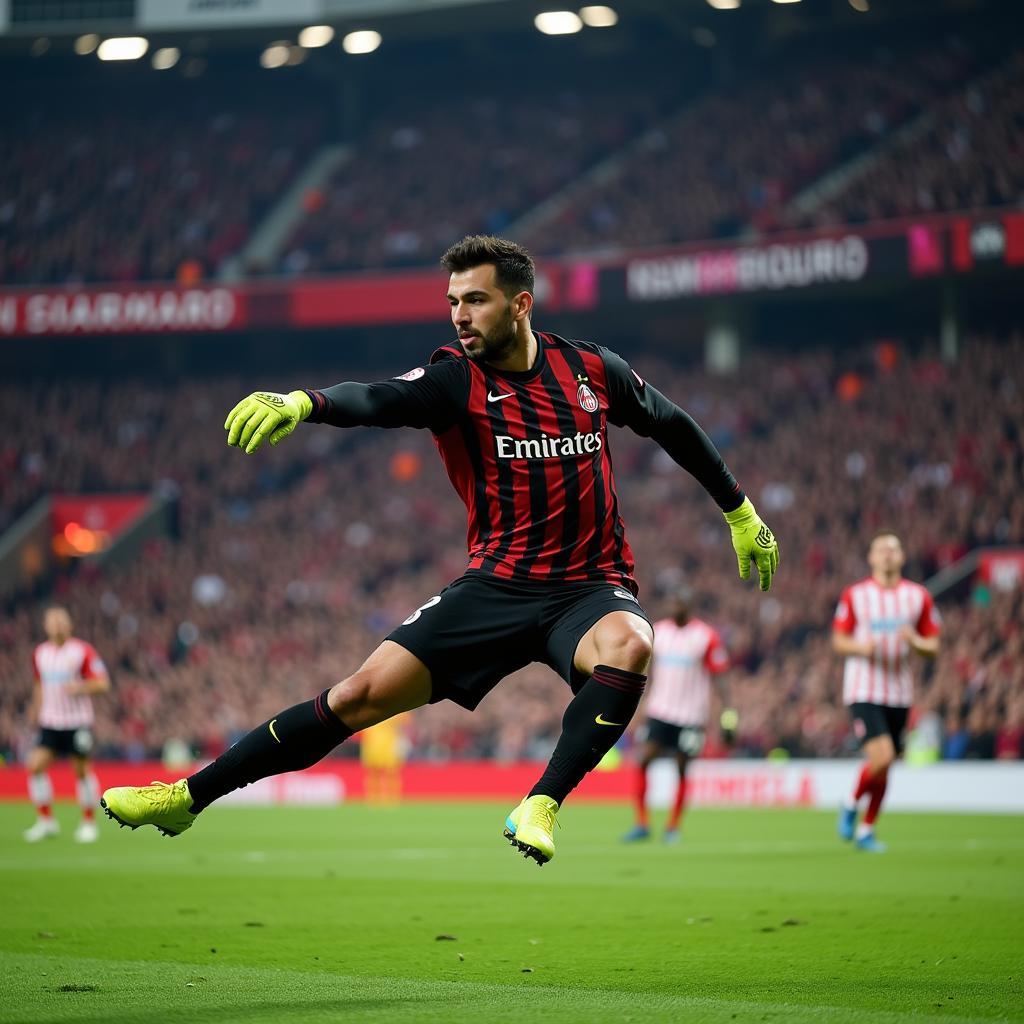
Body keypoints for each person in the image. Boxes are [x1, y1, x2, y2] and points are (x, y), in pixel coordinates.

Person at [102, 235, 779, 866]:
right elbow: (377, 397)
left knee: (631, 641)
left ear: (520, 305)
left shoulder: (591, 369)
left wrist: (740, 512)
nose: (460, 314)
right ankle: (187, 798)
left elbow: (672, 423)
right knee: (356, 696)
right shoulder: (455, 380)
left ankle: (540, 804)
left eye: (475, 300)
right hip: (494, 588)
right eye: (453, 301)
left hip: (587, 590)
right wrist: (305, 403)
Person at [834, 532, 941, 852]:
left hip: (899, 691)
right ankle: (851, 803)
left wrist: (915, 642)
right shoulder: (856, 595)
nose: (887, 555)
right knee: (882, 756)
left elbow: (933, 646)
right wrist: (860, 647)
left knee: (888, 761)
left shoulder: (918, 596)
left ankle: (866, 830)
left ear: (902, 557)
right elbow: (839, 640)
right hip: (863, 687)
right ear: (871, 558)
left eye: (893, 549)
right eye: (881, 549)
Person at [623, 587, 733, 844]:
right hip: (660, 711)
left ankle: (673, 826)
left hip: (691, 717)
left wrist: (728, 713)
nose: (676, 607)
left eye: (680, 602)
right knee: (643, 760)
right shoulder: (658, 632)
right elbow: (647, 673)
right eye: (673, 602)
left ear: (689, 605)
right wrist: (639, 707)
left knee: (682, 768)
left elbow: (721, 677)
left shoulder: (705, 637)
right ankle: (642, 823)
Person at [24, 606, 110, 843]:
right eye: (53, 622)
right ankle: (46, 821)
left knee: (81, 771)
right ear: (46, 626)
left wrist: (80, 687)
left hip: (77, 722)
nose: (58, 626)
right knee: (35, 766)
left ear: (70, 625)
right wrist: (35, 711)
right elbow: (39, 685)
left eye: (62, 621)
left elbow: (102, 683)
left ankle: (89, 822)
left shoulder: (82, 651)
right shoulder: (40, 653)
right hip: (50, 722)